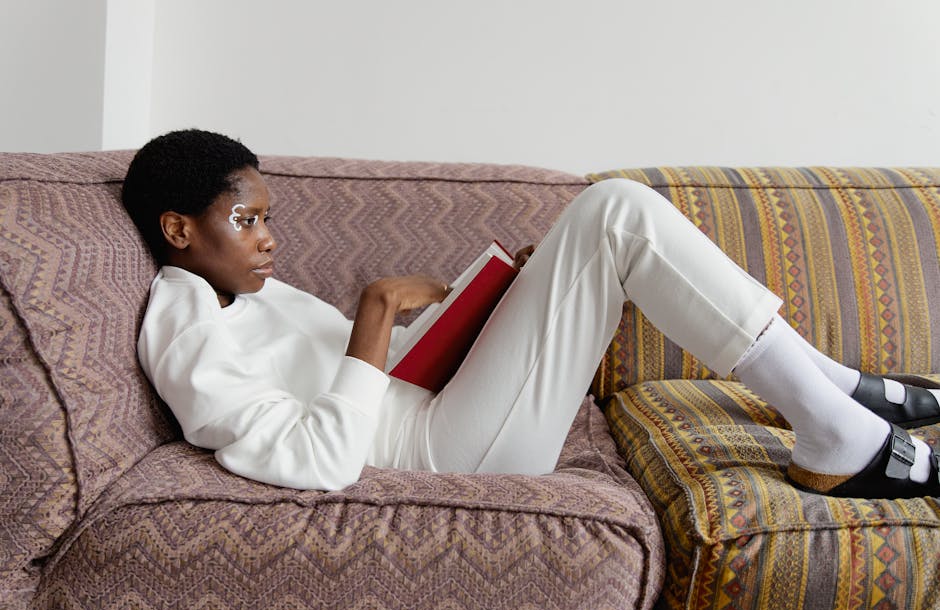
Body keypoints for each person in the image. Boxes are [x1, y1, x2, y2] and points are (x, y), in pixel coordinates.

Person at [122, 129, 940, 499]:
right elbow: (326, 457)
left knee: (605, 225)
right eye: (247, 220)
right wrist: (374, 314)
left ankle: (833, 392)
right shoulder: (185, 324)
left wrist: (466, 318)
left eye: (267, 217)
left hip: (442, 411)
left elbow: (354, 383)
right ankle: (837, 423)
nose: (268, 240)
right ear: (178, 229)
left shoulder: (243, 293)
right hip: (444, 453)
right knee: (614, 213)